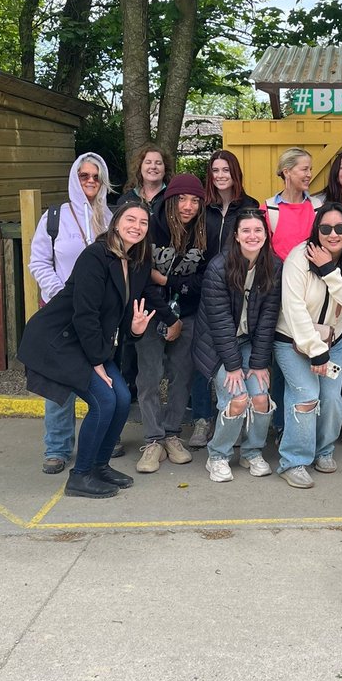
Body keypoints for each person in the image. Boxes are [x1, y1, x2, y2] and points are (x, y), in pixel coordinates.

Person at [18, 202, 175, 498]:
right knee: (104, 399)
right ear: (115, 223)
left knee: (122, 397)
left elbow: (125, 313)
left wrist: (135, 329)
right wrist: (98, 362)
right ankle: (80, 476)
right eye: (130, 219)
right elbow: (85, 314)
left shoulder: (137, 263)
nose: (137, 226)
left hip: (92, 342)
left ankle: (99, 466)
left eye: (143, 222)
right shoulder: (95, 256)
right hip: (62, 339)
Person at [273, 202, 342, 488]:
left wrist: (328, 269)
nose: (333, 234)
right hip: (292, 340)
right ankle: (294, 461)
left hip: (332, 340)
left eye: (340, 228)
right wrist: (316, 352)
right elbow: (293, 309)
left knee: (331, 401)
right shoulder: (298, 257)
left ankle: (323, 450)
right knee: (305, 396)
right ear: (317, 230)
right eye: (325, 228)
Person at [28, 153, 113, 474]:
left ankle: (103, 433)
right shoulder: (55, 217)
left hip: (97, 316)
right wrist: (63, 295)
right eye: (83, 176)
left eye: (96, 176)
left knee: (102, 376)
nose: (90, 182)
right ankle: (58, 447)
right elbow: (38, 262)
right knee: (59, 384)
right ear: (74, 178)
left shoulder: (110, 218)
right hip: (61, 313)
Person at [135, 174, 218, 474]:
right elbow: (142, 278)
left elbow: (205, 278)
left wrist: (170, 281)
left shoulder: (208, 229)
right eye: (182, 199)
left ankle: (171, 435)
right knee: (150, 377)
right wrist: (169, 319)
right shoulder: (151, 227)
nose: (188, 206)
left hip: (189, 313)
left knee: (182, 376)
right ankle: (153, 440)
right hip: (151, 312)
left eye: (195, 200)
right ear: (170, 199)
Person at [193, 209, 282, 482]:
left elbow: (268, 317)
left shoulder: (274, 266)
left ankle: (251, 451)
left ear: (266, 235)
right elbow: (219, 322)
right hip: (218, 345)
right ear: (236, 235)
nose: (252, 236)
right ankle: (217, 455)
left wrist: (257, 363)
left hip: (250, 344)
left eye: (258, 230)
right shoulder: (219, 267)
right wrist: (232, 367)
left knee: (261, 397)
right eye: (246, 231)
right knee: (238, 398)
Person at [189, 150, 259, 448]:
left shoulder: (250, 205)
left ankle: (236, 419)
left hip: (238, 290)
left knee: (236, 356)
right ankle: (203, 419)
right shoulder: (203, 207)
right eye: (215, 170)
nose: (220, 175)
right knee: (202, 358)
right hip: (201, 288)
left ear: (235, 173)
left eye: (225, 170)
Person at [262, 147, 322, 261]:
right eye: (304, 169)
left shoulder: (317, 207)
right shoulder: (269, 209)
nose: (309, 174)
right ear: (287, 172)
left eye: (310, 169)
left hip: (312, 275)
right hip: (279, 276)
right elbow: (264, 252)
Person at [117, 144, 174, 211]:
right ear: (140, 167)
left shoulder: (172, 198)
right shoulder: (126, 200)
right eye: (148, 162)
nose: (153, 167)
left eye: (158, 163)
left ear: (165, 168)